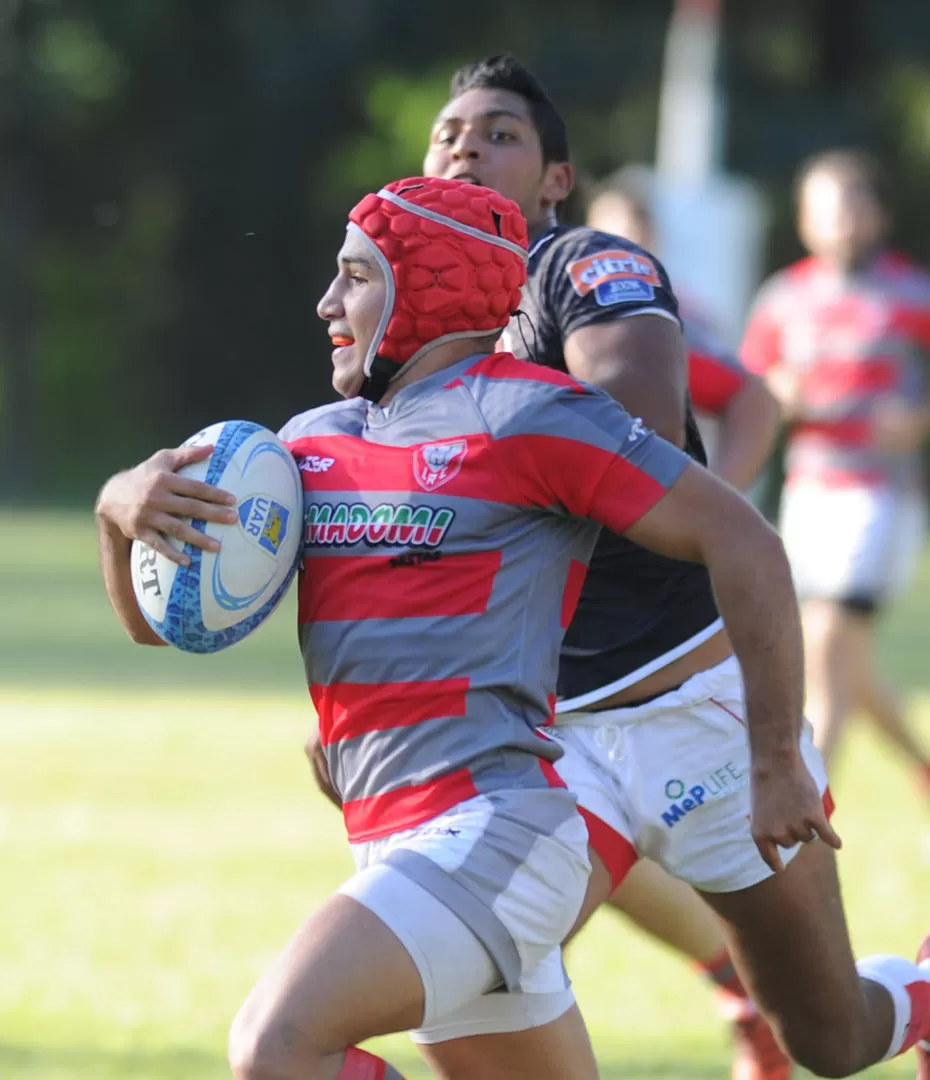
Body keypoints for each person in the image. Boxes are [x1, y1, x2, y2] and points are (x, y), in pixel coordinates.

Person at [92, 175, 904, 1080]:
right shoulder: (304, 446)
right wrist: (115, 509)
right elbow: (161, 630)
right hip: (396, 840)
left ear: (424, 285)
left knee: (276, 1048)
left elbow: (744, 543)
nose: (326, 302)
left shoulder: (533, 414)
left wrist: (773, 760)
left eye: (354, 277)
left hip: (496, 834)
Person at [410, 58, 929, 1079]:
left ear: (557, 179)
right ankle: (723, 982)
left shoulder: (591, 269)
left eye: (500, 132)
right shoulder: (407, 326)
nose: (465, 143)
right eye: (447, 131)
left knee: (829, 1041)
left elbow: (637, 421)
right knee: (453, 986)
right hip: (540, 729)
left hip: (694, 706)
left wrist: (702, 507)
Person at [742, 149, 930, 786]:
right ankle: (923, 768)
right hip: (808, 492)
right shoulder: (782, 298)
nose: (842, 221)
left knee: (823, 642)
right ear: (804, 221)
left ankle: (813, 806)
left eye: (853, 205)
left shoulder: (911, 293)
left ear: (877, 214)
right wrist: (776, 394)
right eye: (827, 209)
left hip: (880, 494)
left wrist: (918, 420)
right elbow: (748, 385)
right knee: (846, 660)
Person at [585, 167, 781, 491]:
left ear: (655, 237)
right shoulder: (546, 309)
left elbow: (751, 397)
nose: (623, 253)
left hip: (658, 492)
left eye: (638, 232)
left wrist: (718, 500)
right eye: (611, 239)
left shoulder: (681, 315)